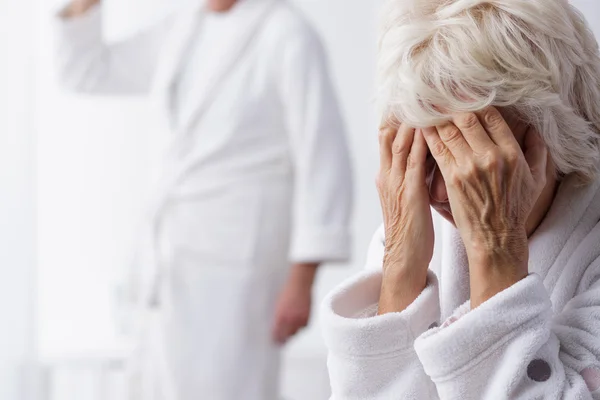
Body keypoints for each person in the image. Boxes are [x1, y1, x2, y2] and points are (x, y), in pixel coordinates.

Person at [55, 0, 353, 399]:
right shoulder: (183, 27)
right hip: (171, 254)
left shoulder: (286, 34)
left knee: (229, 386)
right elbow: (87, 70)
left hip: (239, 265)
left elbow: (324, 158)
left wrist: (302, 281)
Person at [321, 0, 600, 398]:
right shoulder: (418, 233)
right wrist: (400, 266)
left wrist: (496, 252)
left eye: (472, 157)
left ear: (555, 136)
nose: (437, 192)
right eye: (426, 156)